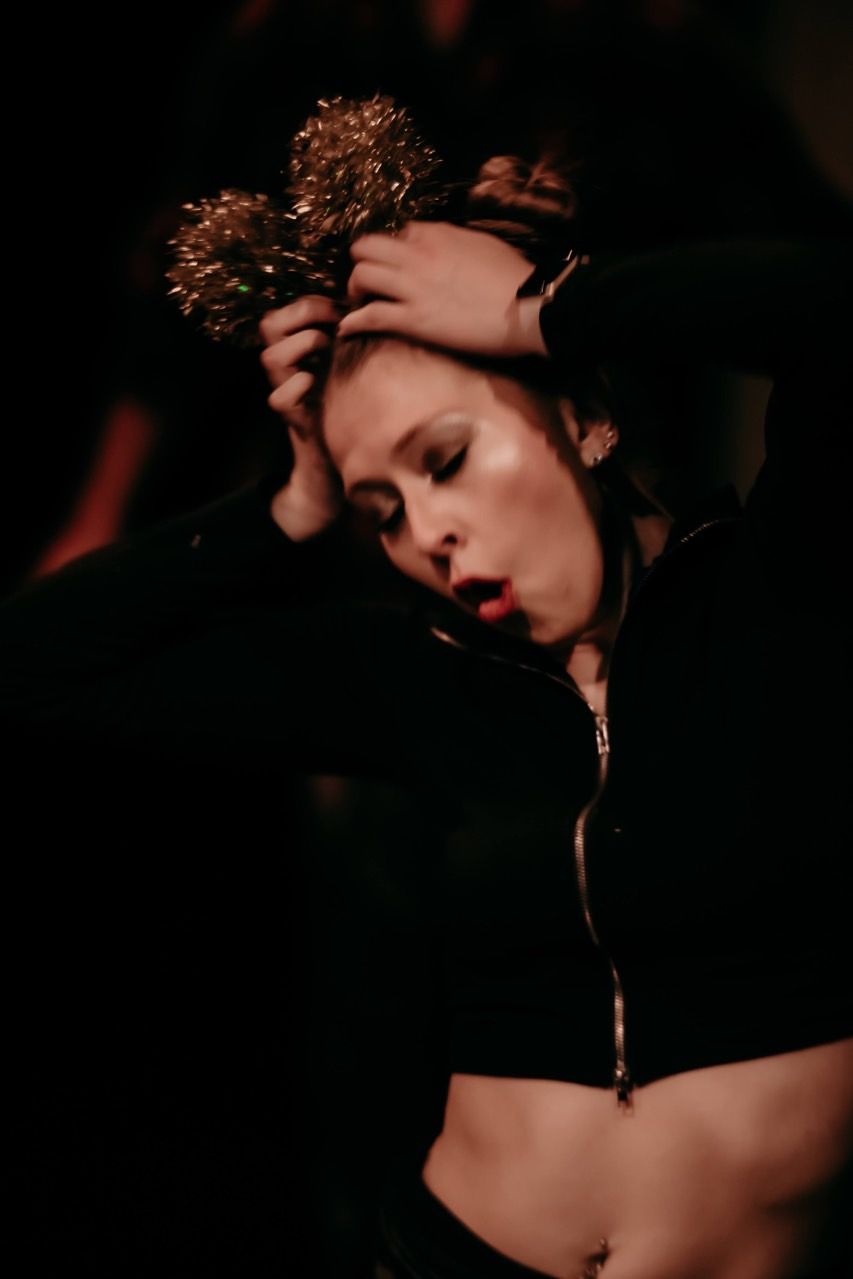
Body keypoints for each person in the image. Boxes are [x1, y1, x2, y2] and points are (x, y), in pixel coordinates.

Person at [3, 156, 852, 1279]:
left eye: (444, 460)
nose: (426, 534)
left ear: (588, 418)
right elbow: (35, 661)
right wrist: (288, 509)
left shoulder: (780, 588)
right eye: (383, 510)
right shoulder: (423, 679)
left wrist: (542, 311)